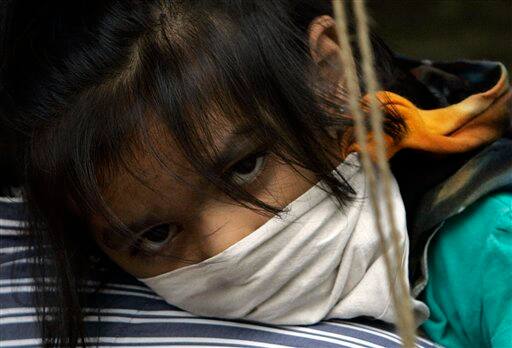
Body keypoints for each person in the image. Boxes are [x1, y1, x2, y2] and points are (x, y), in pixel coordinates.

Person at [0, 1, 510, 346]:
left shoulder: (491, 249)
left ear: (329, 74)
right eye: (155, 235)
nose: (228, 245)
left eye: (245, 167)